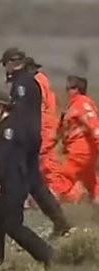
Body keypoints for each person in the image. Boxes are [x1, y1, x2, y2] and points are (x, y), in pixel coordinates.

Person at [0, 48, 73, 238]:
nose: (5, 68)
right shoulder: (32, 81)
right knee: (34, 182)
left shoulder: (23, 84)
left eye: (6, 64)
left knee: (15, 177)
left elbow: (21, 113)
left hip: (23, 138)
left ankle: (11, 223)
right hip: (33, 136)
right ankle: (60, 222)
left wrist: (13, 135)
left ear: (13, 63)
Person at [0, 91, 52, 266]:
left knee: (12, 226)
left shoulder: (8, 128)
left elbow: (5, 158)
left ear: (1, 107)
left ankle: (46, 254)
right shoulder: (17, 125)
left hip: (11, 183)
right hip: (16, 181)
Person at [51, 75, 99, 203]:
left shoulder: (83, 104)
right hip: (83, 152)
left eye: (69, 88)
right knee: (91, 182)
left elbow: (94, 125)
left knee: (64, 177)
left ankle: (54, 205)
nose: (66, 91)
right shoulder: (72, 107)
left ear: (77, 89)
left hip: (81, 151)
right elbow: (61, 131)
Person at [25, 57, 61, 194]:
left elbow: (40, 105)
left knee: (46, 162)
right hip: (48, 125)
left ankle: (55, 192)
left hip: (44, 126)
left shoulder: (37, 82)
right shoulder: (43, 80)